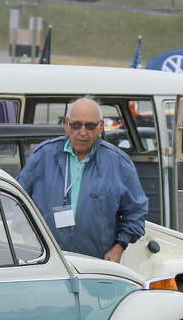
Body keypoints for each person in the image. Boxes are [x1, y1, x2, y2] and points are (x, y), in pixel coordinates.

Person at [18, 96, 147, 262]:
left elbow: (136, 211)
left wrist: (119, 247)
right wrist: (28, 236)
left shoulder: (118, 163)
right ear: (67, 124)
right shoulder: (43, 156)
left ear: (101, 126)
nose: (83, 132)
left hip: (97, 263)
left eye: (90, 126)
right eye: (76, 124)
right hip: (48, 260)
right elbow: (17, 201)